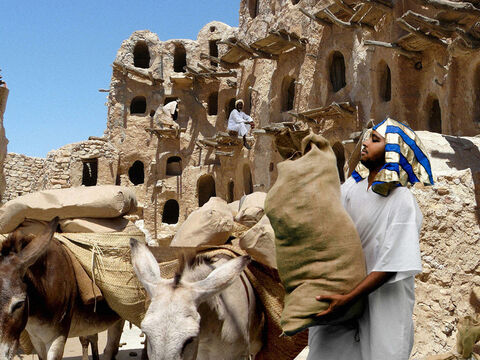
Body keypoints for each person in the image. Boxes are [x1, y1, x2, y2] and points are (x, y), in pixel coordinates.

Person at [307, 118, 434, 360]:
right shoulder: (350, 190)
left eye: (375, 140)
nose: (365, 142)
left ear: (394, 151)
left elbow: (392, 264)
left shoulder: (401, 200)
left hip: (382, 303)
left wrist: (348, 299)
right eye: (367, 137)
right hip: (342, 296)